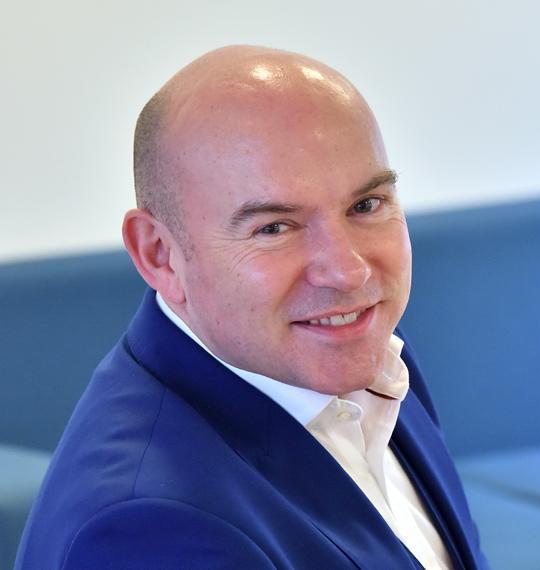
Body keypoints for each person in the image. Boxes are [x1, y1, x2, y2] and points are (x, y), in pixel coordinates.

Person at [15, 45, 489, 569]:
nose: (348, 271)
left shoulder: (369, 358)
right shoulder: (149, 531)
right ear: (159, 255)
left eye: (366, 205)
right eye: (275, 228)